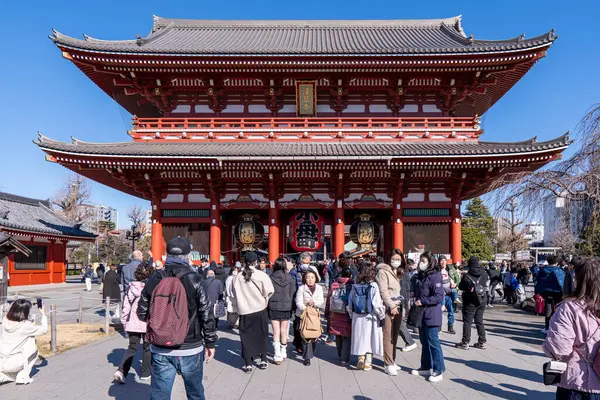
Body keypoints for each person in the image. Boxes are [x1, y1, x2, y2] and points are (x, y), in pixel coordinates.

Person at [137, 236, 217, 400]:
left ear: (167, 254)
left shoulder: (155, 278)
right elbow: (206, 314)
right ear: (188, 256)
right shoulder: (196, 279)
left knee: (160, 394)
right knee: (195, 393)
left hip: (160, 346)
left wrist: (158, 321)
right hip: (190, 345)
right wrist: (210, 342)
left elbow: (141, 311)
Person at [543, 258, 600, 399]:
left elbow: (559, 349)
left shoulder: (568, 308)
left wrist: (546, 346)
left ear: (578, 279)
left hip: (576, 381)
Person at [232, 252, 274, 373]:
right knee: (262, 334)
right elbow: (270, 291)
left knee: (246, 337)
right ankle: (263, 359)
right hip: (259, 309)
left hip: (244, 310)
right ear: (256, 262)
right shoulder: (261, 275)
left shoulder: (237, 277)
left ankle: (248, 363)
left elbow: (233, 293)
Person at [376, 249, 415, 376]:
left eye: (398, 259)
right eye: (394, 258)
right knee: (388, 335)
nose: (396, 261)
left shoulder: (399, 272)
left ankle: (392, 360)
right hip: (388, 307)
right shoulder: (383, 271)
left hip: (399, 306)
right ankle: (388, 363)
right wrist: (391, 305)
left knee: (395, 335)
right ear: (389, 258)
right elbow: (383, 291)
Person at [114, 262, 155, 383]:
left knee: (132, 347)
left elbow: (126, 306)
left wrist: (124, 321)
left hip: (133, 320)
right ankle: (145, 373)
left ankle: (121, 370)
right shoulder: (152, 288)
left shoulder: (131, 287)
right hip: (146, 321)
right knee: (147, 347)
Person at [410, 252, 445, 383]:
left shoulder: (435, 276)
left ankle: (438, 369)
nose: (421, 263)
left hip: (431, 314)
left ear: (430, 262)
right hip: (422, 314)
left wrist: (423, 301)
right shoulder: (423, 276)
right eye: (421, 260)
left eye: (423, 261)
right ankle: (425, 366)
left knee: (433, 342)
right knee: (424, 342)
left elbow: (439, 296)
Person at [348, 262, 385, 371]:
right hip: (370, 316)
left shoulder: (356, 284)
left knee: (360, 337)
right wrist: (381, 316)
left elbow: (350, 302)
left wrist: (351, 314)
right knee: (370, 339)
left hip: (357, 316)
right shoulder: (373, 285)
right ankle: (368, 363)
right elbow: (377, 303)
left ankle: (360, 358)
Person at [0, 299, 48, 384]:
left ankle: (3, 375)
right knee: (32, 345)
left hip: (2, 360)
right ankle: (22, 377)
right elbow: (44, 330)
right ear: (25, 312)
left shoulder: (4, 320)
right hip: (14, 363)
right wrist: (43, 314)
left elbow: (10, 313)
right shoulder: (25, 325)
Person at [456, 256, 489, 350]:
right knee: (479, 321)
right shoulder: (484, 274)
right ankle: (482, 341)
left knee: (467, 322)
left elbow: (461, 287)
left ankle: (465, 342)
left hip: (470, 301)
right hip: (482, 300)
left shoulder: (466, 276)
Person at [268, 258, 296, 365]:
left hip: (274, 306)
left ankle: (277, 354)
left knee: (276, 331)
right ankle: (284, 351)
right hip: (286, 306)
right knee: (284, 331)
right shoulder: (290, 278)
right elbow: (293, 292)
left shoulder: (271, 278)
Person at [295, 267, 325, 366]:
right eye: (308, 277)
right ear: (305, 278)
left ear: (315, 278)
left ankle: (311, 350)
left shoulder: (319, 288)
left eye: (312, 277)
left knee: (314, 335)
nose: (310, 279)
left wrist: (314, 303)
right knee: (305, 335)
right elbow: (298, 301)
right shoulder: (301, 288)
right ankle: (307, 358)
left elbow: (321, 301)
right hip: (303, 315)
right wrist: (305, 308)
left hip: (315, 315)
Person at [325, 268, 354, 366]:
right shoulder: (352, 285)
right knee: (346, 335)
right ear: (350, 276)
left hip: (335, 312)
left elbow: (328, 299)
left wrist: (327, 312)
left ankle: (339, 354)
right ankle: (344, 358)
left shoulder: (334, 284)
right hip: (347, 313)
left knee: (337, 333)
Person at [535, 255, 566, 334]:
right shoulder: (558, 270)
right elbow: (561, 282)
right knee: (558, 309)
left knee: (548, 309)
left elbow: (537, 280)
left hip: (546, 292)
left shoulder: (542, 270)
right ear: (556, 263)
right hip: (557, 292)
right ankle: (557, 327)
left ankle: (547, 327)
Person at [439, 255, 457, 334]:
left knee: (451, 311)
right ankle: (439, 326)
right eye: (441, 260)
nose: (443, 262)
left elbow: (457, 279)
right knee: (439, 311)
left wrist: (455, 284)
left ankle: (450, 326)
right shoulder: (436, 270)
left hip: (449, 294)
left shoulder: (451, 270)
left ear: (446, 261)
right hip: (440, 294)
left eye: (444, 260)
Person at [225, 262, 241, 329]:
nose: (235, 272)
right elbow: (227, 287)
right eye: (234, 270)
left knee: (237, 310)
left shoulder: (238, 277)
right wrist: (229, 295)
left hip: (237, 296)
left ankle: (237, 323)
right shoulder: (229, 278)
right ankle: (231, 323)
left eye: (236, 270)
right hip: (231, 297)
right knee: (231, 310)